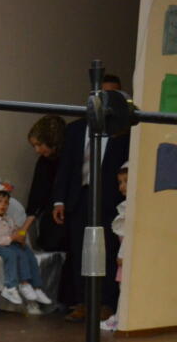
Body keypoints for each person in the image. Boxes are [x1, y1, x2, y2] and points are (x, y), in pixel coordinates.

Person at [51, 74, 128, 321]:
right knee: (79, 249)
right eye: (101, 95)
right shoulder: (76, 129)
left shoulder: (123, 131)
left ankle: (106, 302)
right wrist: (59, 200)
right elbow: (65, 166)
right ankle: (83, 301)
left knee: (108, 250)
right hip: (79, 196)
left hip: (109, 199)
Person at [0, 183, 53, 305]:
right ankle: (24, 284)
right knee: (19, 253)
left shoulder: (8, 219)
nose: (3, 205)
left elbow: (16, 231)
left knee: (29, 253)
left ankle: (37, 287)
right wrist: (12, 238)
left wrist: (21, 236)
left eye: (6, 202)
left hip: (11, 243)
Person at [24, 115, 67, 252]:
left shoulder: (70, 159)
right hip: (53, 224)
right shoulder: (44, 162)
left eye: (39, 144)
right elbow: (37, 197)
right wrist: (23, 230)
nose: (37, 150)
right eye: (34, 146)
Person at [101, 162, 128, 331]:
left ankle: (121, 319)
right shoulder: (124, 206)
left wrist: (122, 254)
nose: (122, 186)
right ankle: (119, 317)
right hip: (123, 255)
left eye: (126, 181)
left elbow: (128, 236)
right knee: (122, 288)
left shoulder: (131, 208)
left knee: (125, 289)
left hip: (126, 256)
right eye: (120, 182)